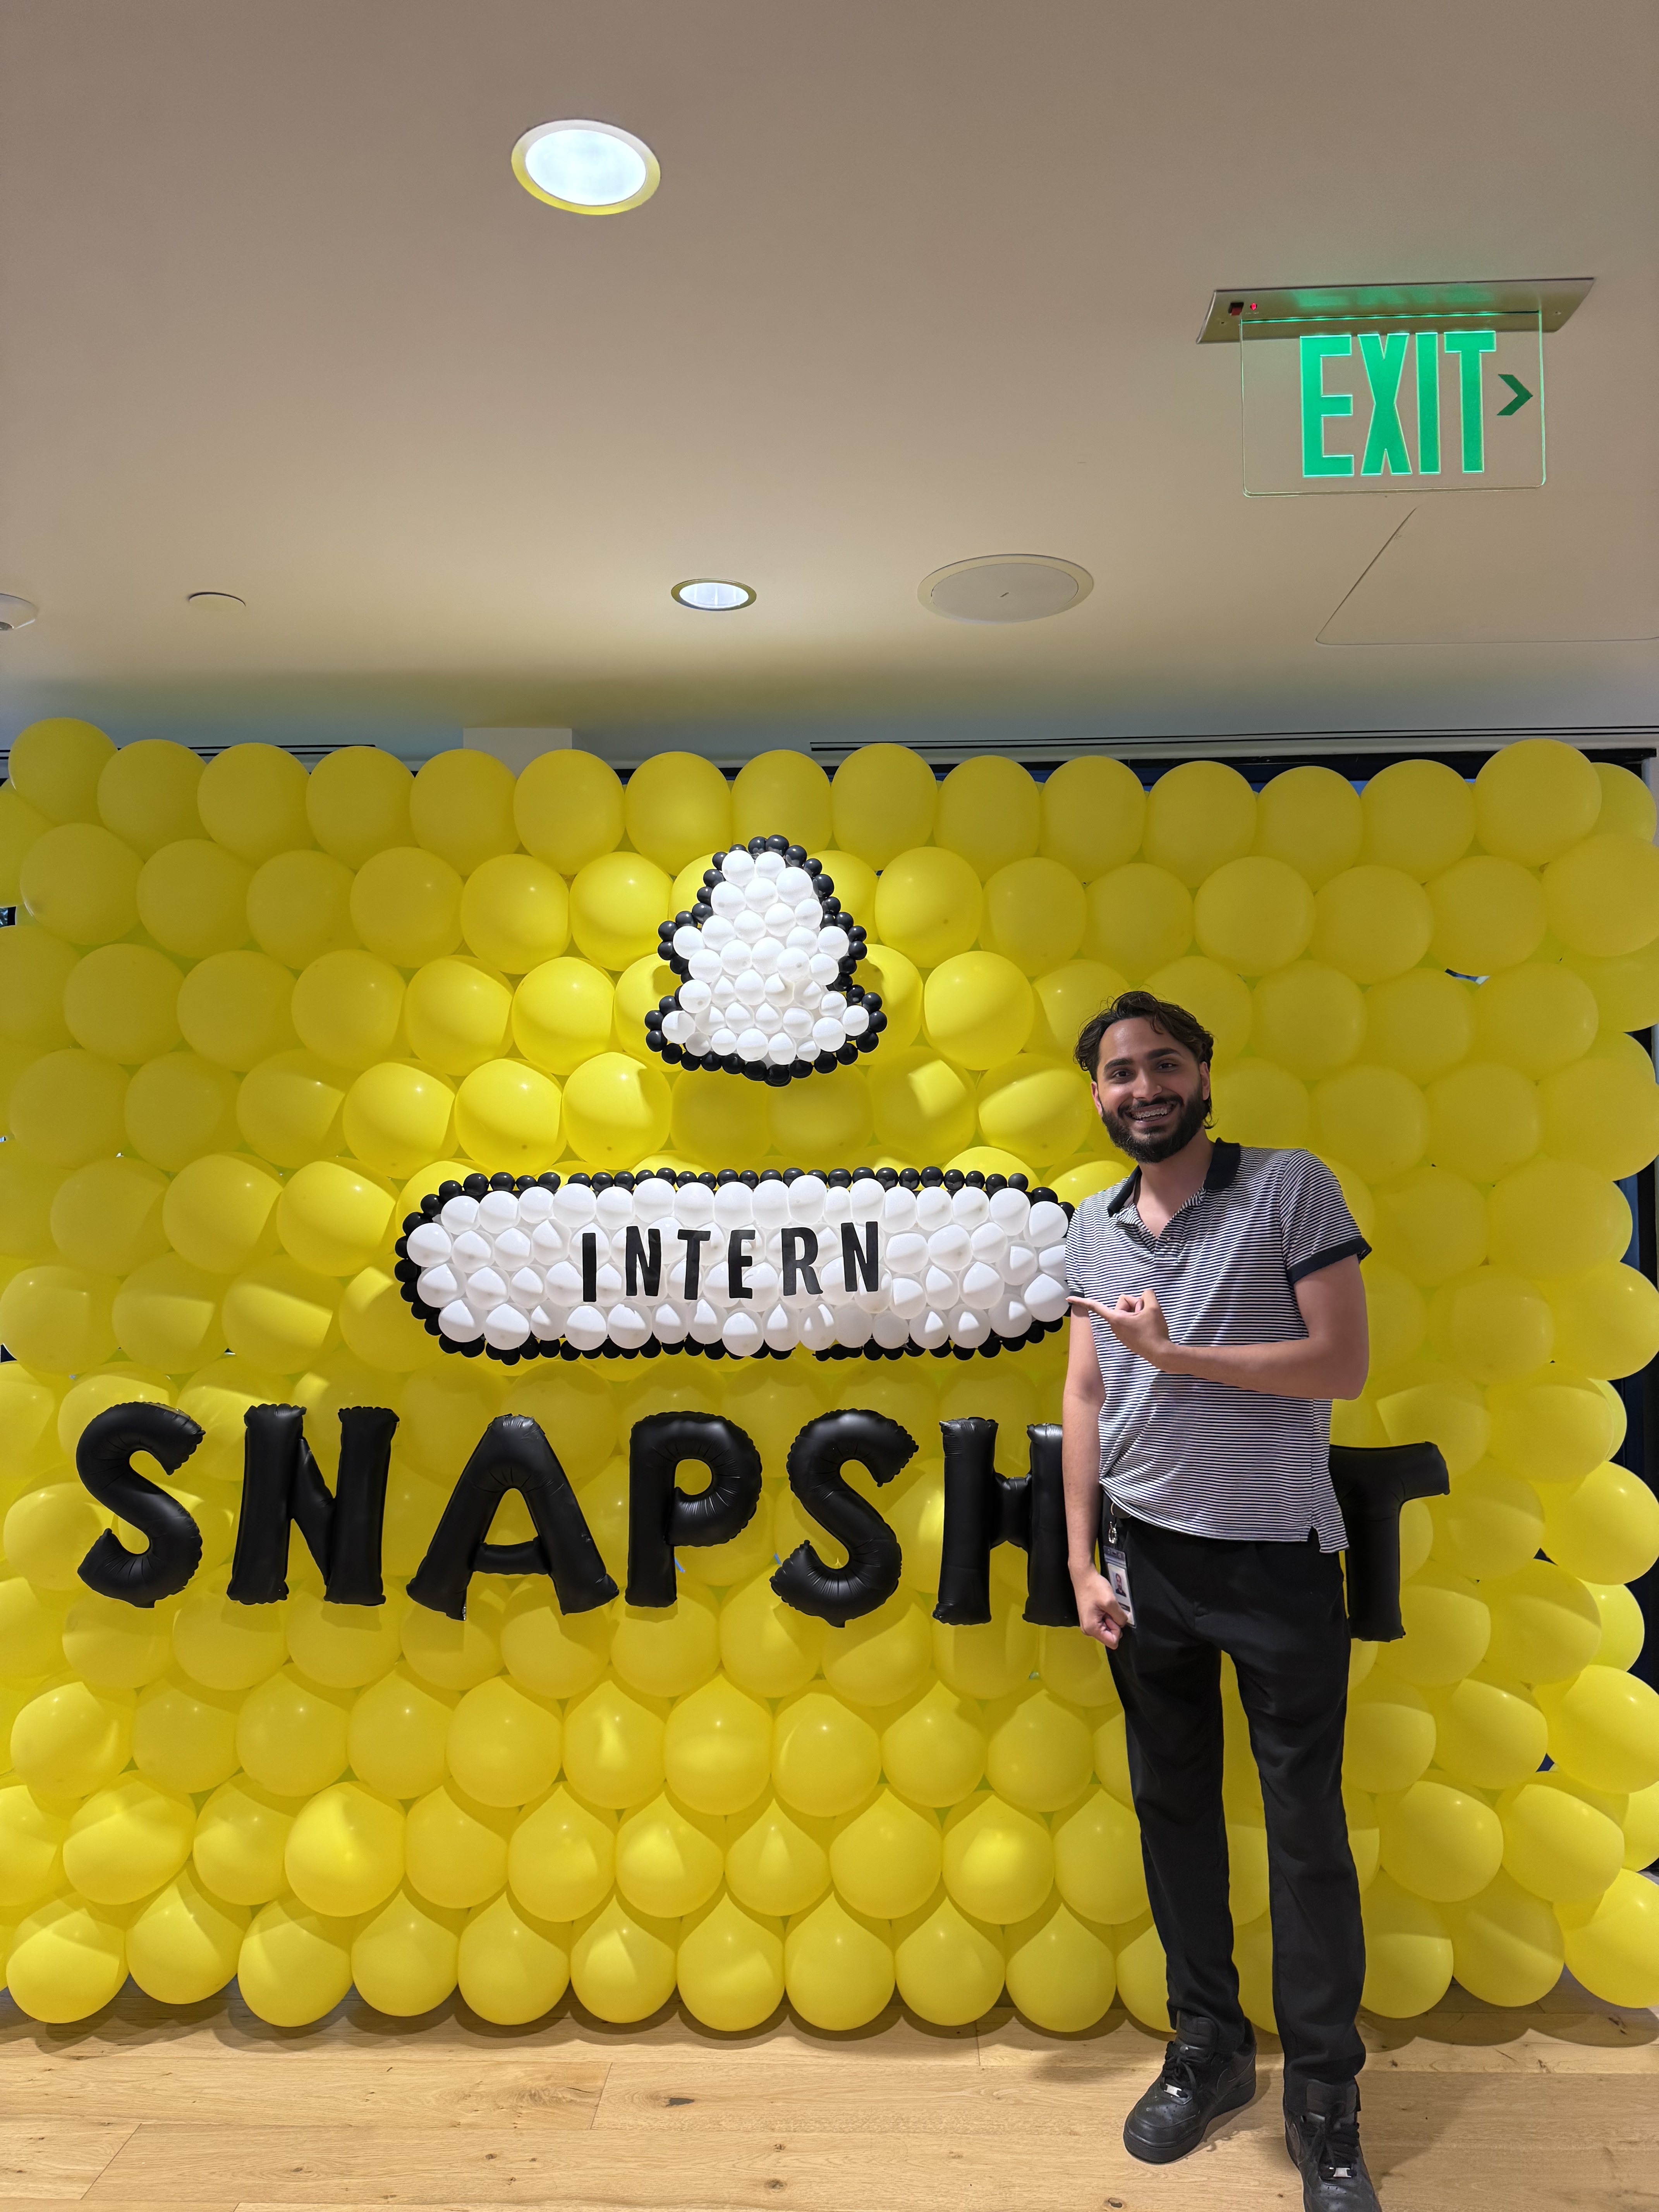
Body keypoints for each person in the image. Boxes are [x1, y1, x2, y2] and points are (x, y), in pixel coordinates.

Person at [1061, 989, 1379, 2212]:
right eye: (1119, 1071)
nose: (1142, 1087)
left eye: (1163, 1064)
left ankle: (1325, 2100)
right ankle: (1206, 2048)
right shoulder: (1091, 1225)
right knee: (1173, 1814)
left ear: (1202, 1074)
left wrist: (1178, 1353)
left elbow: (1341, 1362)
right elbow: (1086, 1394)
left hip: (1275, 1561)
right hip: (1147, 1568)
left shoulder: (1289, 1186)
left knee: (1304, 1837)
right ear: (1098, 1094)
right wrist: (1082, 1560)